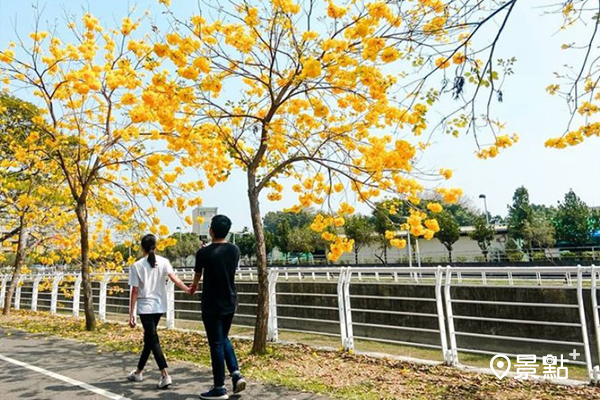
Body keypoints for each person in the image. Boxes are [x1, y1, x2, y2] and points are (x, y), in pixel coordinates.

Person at [190, 215, 246, 400]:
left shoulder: (203, 253)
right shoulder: (234, 250)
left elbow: (198, 275)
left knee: (216, 343)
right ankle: (236, 373)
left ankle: (219, 387)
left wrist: (192, 287)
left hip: (211, 303)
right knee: (222, 338)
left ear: (211, 231)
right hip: (230, 301)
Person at [127, 233, 191, 389]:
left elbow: (135, 291)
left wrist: (131, 314)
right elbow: (174, 278)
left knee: (152, 339)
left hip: (145, 307)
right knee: (149, 339)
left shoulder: (136, 266)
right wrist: (187, 289)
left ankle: (165, 374)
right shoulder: (164, 262)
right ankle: (138, 372)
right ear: (155, 246)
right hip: (159, 306)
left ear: (142, 247)